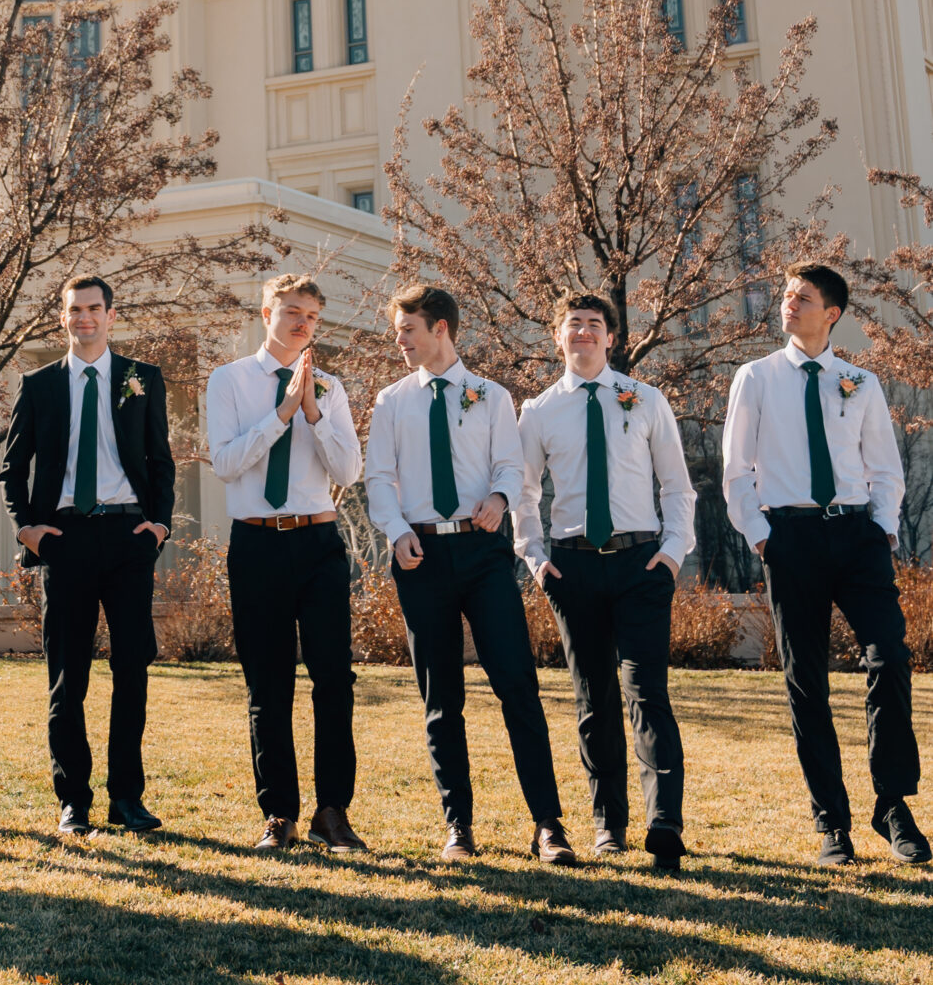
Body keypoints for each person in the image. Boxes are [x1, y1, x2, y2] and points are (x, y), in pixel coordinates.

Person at [722, 262, 929, 867]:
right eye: (787, 294)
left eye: (803, 297)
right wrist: (763, 537)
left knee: (890, 658)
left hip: (858, 538)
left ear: (831, 314)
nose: (788, 303)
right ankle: (832, 822)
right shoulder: (756, 377)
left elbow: (885, 468)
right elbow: (736, 470)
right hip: (790, 540)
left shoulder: (859, 382)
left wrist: (882, 529)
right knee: (806, 680)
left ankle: (892, 805)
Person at [365, 283, 576, 865]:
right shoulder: (391, 401)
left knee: (517, 686)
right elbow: (378, 478)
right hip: (420, 556)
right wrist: (396, 531)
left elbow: (511, 466)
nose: (400, 341)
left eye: (408, 329)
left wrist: (501, 498)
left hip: (484, 555)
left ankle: (548, 826)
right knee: (441, 699)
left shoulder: (492, 396)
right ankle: (458, 826)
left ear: (440, 329)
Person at [516, 294, 696, 871]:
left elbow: (677, 485)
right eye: (574, 324)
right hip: (572, 567)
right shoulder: (539, 411)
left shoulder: (645, 399)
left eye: (595, 324)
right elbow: (523, 492)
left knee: (647, 693)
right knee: (594, 699)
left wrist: (672, 553)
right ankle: (608, 826)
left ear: (611, 338)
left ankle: (664, 822)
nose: (585, 333)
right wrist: (534, 558)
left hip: (641, 564)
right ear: (558, 336)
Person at [2, 277, 175, 837]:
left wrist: (160, 526)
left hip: (129, 536)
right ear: (63, 318)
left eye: (94, 308)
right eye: (75, 309)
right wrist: (28, 530)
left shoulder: (142, 378)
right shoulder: (39, 385)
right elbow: (12, 467)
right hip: (66, 537)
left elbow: (161, 459)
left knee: (132, 670)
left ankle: (127, 798)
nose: (85, 318)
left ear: (111, 315)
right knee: (67, 674)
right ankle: (73, 799)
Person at [205, 271, 365, 854]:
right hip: (258, 546)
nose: (303, 324)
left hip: (319, 544)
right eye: (293, 312)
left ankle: (332, 812)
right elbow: (226, 464)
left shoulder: (330, 387)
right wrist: (281, 414)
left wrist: (313, 413)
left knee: (333, 679)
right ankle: (279, 814)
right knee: (267, 683)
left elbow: (348, 472)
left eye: (312, 317)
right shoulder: (228, 381)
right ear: (267, 313)